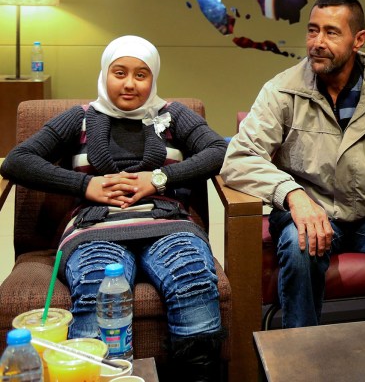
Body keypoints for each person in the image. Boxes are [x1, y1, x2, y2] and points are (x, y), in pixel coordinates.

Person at [0, 35, 226, 382]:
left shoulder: (173, 115)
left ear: (153, 79)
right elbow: (17, 161)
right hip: (96, 228)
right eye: (120, 72)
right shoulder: (79, 119)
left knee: (192, 276)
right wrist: (84, 184)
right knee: (94, 286)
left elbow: (218, 150)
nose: (130, 83)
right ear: (105, 73)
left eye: (141, 74)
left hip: (165, 222)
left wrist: (160, 178)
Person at [221, 0, 365, 328]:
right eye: (313, 30)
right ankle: (300, 359)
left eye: (331, 32)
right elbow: (239, 158)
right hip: (310, 211)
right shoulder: (282, 90)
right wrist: (292, 194)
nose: (317, 42)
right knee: (302, 247)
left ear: (358, 40)